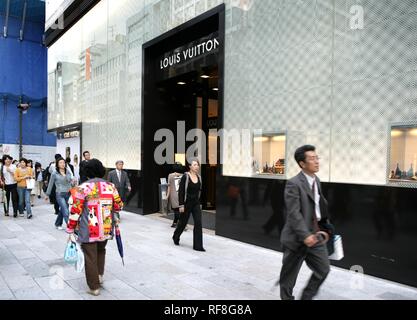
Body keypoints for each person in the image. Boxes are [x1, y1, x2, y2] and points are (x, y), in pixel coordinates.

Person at [279, 145, 332, 300]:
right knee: (289, 278)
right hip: (296, 238)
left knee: (323, 269)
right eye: (312, 158)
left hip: (315, 236)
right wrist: (305, 235)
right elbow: (294, 213)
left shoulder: (317, 181)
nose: (316, 161)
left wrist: (324, 228)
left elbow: (318, 208)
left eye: (317, 157)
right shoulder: (293, 183)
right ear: (302, 164)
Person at [66, 159, 123, 296]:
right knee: (101, 250)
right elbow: (119, 206)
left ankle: (94, 287)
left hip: (89, 228)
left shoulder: (82, 188)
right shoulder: (111, 186)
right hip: (106, 226)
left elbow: (75, 211)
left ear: (87, 171)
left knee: (90, 256)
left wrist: (70, 229)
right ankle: (99, 276)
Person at [172, 158, 205, 252]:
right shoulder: (186, 177)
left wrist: (200, 203)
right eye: (194, 165)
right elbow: (181, 192)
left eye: (197, 165)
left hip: (196, 203)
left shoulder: (199, 177)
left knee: (198, 223)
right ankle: (176, 236)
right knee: (183, 222)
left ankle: (198, 246)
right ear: (190, 166)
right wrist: (181, 205)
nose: (197, 166)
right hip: (186, 204)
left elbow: (200, 191)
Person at [45, 157, 74, 230]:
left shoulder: (67, 171)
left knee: (63, 210)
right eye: (60, 163)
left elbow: (69, 181)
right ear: (57, 164)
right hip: (59, 194)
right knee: (66, 211)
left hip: (68, 193)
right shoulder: (54, 173)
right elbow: (50, 184)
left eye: (63, 163)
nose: (62, 164)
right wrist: (47, 194)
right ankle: (70, 227)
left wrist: (72, 181)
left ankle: (58, 223)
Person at [166, 163, 184, 228]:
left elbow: (169, 187)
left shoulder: (170, 175)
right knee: (180, 210)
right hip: (182, 195)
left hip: (173, 195)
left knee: (176, 210)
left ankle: (182, 224)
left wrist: (167, 196)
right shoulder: (183, 175)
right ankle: (175, 223)